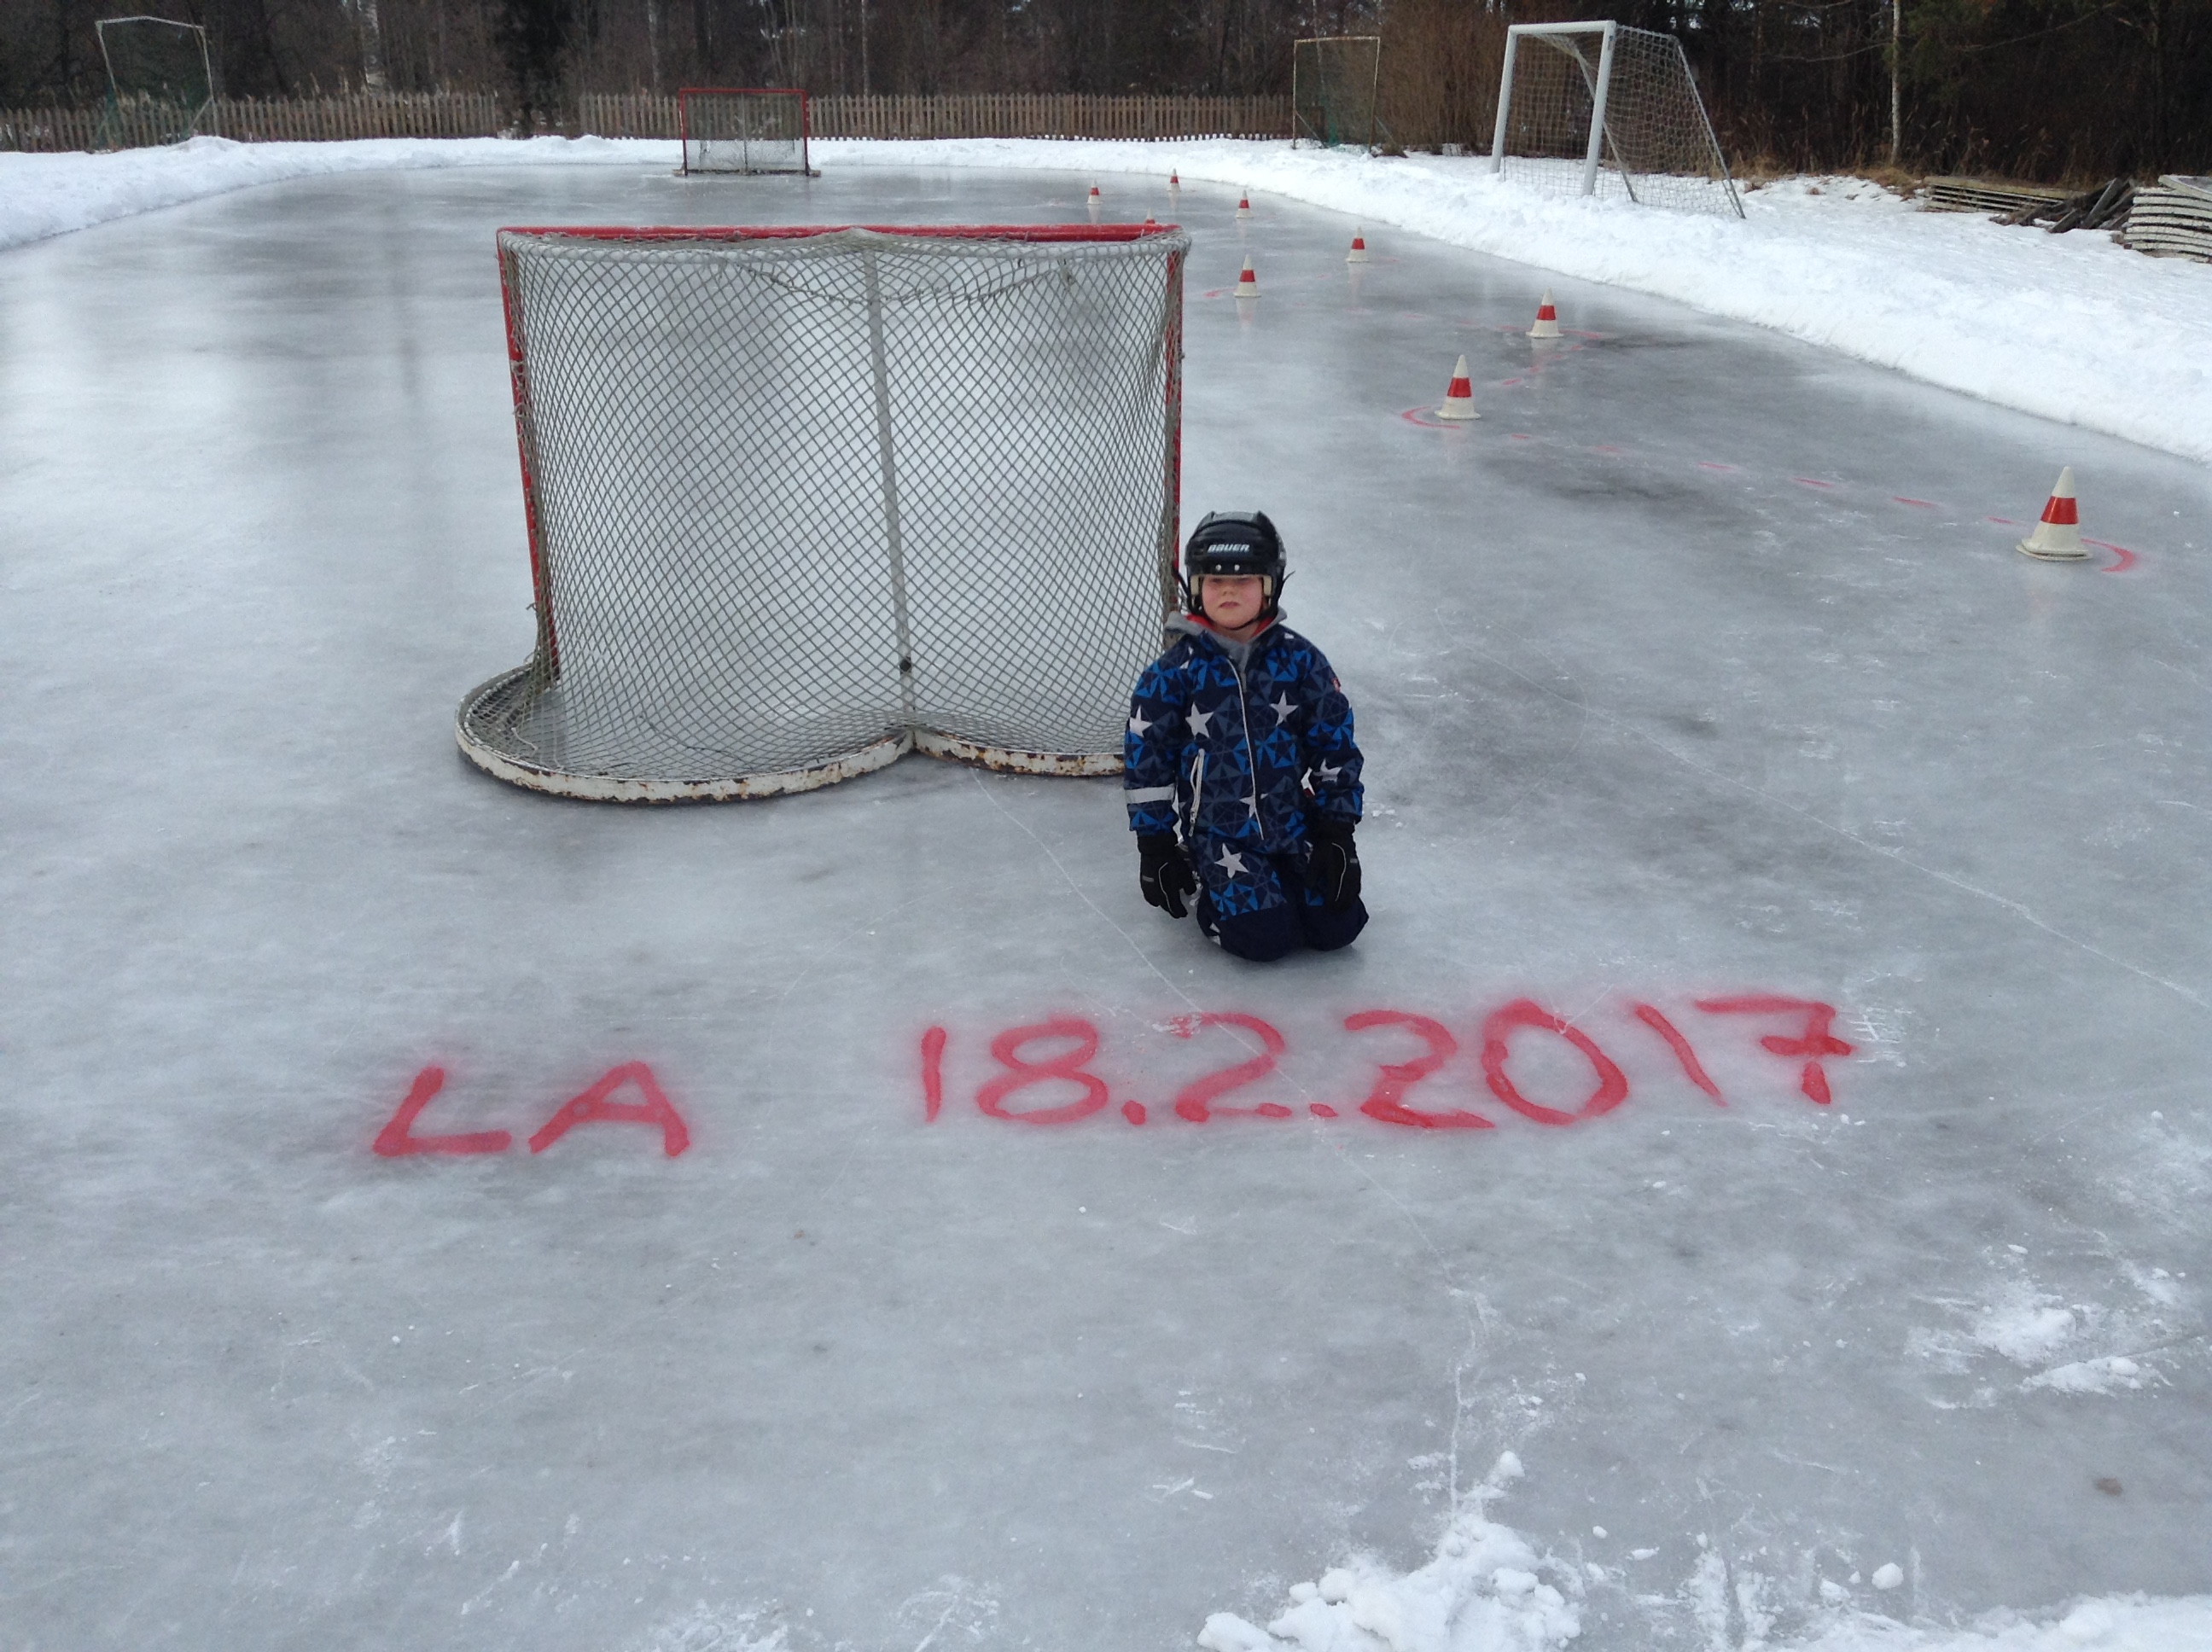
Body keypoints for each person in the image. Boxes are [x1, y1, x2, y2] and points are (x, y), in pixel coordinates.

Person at [1123, 511, 1367, 962]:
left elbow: (1334, 746)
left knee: (1339, 926)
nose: (1229, 591)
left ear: (1270, 586)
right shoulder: (1172, 674)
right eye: (1215, 581)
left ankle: (1283, 880)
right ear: (1195, 587)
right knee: (1264, 939)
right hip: (1222, 835)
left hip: (1292, 823)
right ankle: (1211, 887)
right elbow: (1147, 764)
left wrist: (1337, 831)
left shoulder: (1301, 660)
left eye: (1244, 580)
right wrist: (1154, 844)